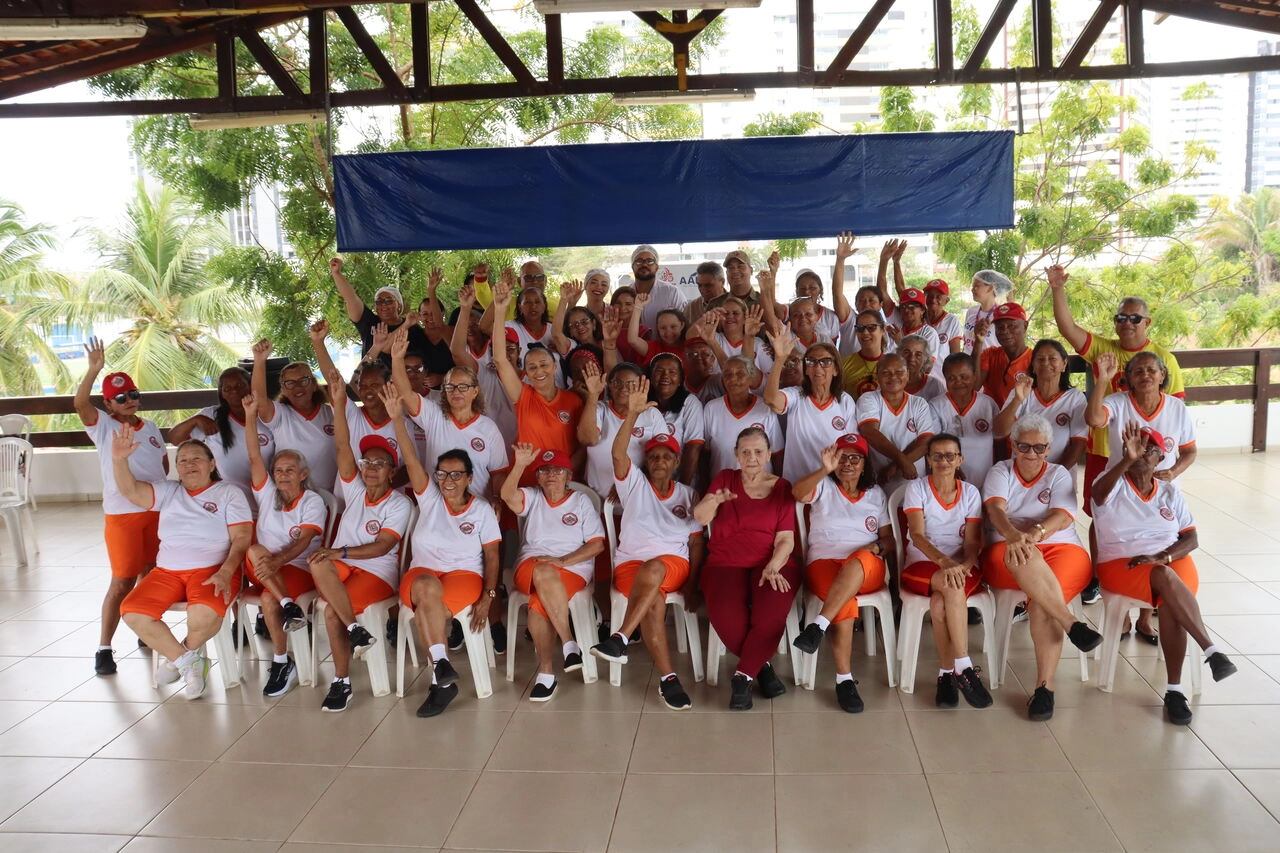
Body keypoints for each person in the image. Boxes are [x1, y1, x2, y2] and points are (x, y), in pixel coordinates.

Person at [1091, 422, 1237, 725]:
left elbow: (1192, 538)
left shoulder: (1169, 492)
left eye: (1151, 448)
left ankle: (1174, 689)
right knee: (1166, 579)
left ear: (1161, 458)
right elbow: (1097, 495)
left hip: (1169, 558)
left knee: (1169, 590)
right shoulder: (1113, 483)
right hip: (1122, 563)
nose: (1144, 452)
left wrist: (1163, 556)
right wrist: (1126, 460)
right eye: (1138, 446)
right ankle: (1210, 651)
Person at [383, 385, 501, 717]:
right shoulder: (429, 497)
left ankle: (441, 679)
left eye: (456, 474)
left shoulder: (481, 510)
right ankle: (441, 669)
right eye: (442, 474)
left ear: (468, 478)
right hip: (424, 574)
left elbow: (492, 556)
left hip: (465, 577)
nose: (448, 480)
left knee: (427, 601)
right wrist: (396, 420)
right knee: (426, 589)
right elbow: (409, 457)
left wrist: (489, 596)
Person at [980, 414, 1105, 721]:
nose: (1031, 453)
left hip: (1062, 548)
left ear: (1048, 448)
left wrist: (1035, 534)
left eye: (1039, 448)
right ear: (1013, 445)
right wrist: (1015, 536)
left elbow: (1063, 516)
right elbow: (995, 511)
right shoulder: (1000, 471)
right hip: (1005, 549)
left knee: (1040, 605)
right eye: (1024, 446)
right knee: (1027, 560)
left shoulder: (1059, 473)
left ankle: (1044, 688)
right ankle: (1072, 623)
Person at [590, 379, 704, 710]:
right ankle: (668, 680)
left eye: (666, 456)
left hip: (673, 567)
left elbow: (696, 546)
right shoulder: (633, 485)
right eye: (653, 456)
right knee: (653, 602)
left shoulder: (689, 495)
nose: (659, 461)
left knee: (654, 567)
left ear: (676, 462)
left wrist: (694, 585)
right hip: (628, 568)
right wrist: (632, 415)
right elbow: (616, 452)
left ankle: (620, 637)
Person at [114, 430, 251, 700]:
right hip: (167, 571)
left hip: (213, 569)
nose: (189, 464)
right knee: (132, 612)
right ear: (176, 468)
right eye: (183, 460)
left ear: (212, 464)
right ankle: (189, 662)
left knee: (201, 616)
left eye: (196, 459)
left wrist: (226, 572)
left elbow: (242, 538)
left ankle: (178, 659)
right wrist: (119, 459)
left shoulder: (228, 493)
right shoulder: (169, 491)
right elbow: (130, 491)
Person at [308, 369, 413, 713]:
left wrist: (340, 551)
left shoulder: (399, 502)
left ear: (392, 472)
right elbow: (342, 444)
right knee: (318, 562)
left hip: (377, 574)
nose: (370, 468)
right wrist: (339, 404)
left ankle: (342, 681)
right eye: (367, 461)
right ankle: (356, 630)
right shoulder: (354, 489)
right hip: (342, 568)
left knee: (332, 614)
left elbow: (383, 547)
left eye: (380, 464)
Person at [75, 338, 168, 676]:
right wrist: (93, 370)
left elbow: (162, 466)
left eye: (133, 394)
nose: (129, 401)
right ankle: (104, 646)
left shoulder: (153, 427)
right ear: (108, 403)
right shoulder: (104, 426)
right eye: (120, 398)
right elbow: (79, 404)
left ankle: (146, 629)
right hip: (123, 516)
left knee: (151, 573)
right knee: (121, 581)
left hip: (155, 512)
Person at [695, 427, 798, 710]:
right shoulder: (725, 479)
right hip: (724, 563)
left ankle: (742, 678)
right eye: (745, 452)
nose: (752, 458)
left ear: (768, 454)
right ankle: (760, 668)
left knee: (770, 616)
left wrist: (774, 566)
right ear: (736, 455)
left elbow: (786, 539)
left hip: (772, 564)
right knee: (726, 617)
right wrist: (713, 500)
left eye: (758, 452)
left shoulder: (782, 486)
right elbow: (700, 517)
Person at [790, 435, 893, 713]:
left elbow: (889, 539)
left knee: (860, 556)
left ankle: (817, 626)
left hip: (866, 567)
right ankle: (844, 680)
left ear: (864, 465)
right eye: (842, 457)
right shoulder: (823, 486)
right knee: (844, 600)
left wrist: (877, 547)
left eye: (854, 458)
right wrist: (824, 469)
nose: (848, 463)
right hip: (823, 564)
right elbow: (797, 493)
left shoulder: (876, 494)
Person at [501, 444, 606, 702]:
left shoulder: (581, 502)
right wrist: (520, 465)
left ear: (569, 475)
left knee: (538, 604)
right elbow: (506, 494)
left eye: (558, 470)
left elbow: (597, 544)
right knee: (543, 570)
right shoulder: (533, 496)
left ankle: (547, 674)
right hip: (531, 564)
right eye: (545, 470)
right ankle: (569, 641)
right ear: (537, 477)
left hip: (572, 568)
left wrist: (562, 560)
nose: (551, 475)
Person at [241, 393, 325, 697]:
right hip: (262, 567)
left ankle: (281, 661)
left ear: (303, 475)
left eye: (290, 470)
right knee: (254, 551)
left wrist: (279, 561)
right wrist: (250, 417)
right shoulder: (267, 494)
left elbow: (304, 541)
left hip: (297, 569)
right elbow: (253, 457)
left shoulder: (313, 501)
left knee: (267, 601)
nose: (283, 475)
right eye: (278, 470)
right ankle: (289, 605)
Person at [901, 433, 991, 709]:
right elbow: (917, 535)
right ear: (927, 460)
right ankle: (963, 666)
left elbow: (973, 541)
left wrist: (963, 565)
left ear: (959, 459)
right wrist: (945, 563)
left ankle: (945, 675)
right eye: (937, 455)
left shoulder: (971, 492)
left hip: (959, 567)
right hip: (922, 564)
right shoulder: (916, 489)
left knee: (940, 603)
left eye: (950, 455)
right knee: (950, 586)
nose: (943, 461)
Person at [390, 328, 509, 503]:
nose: (456, 392)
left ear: (475, 391)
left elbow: (498, 473)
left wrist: (497, 499)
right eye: (450, 387)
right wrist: (397, 359)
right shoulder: (434, 416)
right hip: (436, 508)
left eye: (463, 387)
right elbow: (406, 393)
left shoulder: (488, 428)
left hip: (476, 510)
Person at [491, 273, 584, 484]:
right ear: (526, 372)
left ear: (554, 367)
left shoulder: (573, 400)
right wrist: (499, 309)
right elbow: (500, 359)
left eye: (543, 365)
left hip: (564, 483)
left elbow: (583, 446)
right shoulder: (522, 395)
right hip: (528, 480)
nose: (538, 371)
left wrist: (565, 475)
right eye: (531, 367)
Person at [168, 366, 275, 508]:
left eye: (239, 385)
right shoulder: (212, 415)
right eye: (227, 388)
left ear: (250, 386)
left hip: (268, 497)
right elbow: (175, 439)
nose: (234, 391)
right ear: (221, 393)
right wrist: (196, 419)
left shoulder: (268, 415)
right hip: (227, 500)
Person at [763, 327, 857, 484]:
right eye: (811, 361)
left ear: (835, 369)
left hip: (832, 487)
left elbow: (850, 444)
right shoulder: (796, 395)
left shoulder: (845, 401)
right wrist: (780, 359)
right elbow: (771, 399)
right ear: (806, 370)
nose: (818, 367)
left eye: (825, 362)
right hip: (797, 485)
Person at [309, 320, 405, 470]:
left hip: (390, 493)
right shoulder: (352, 415)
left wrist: (379, 488)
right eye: (363, 386)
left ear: (388, 386)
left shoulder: (402, 422)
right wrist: (318, 342)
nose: (368, 390)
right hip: (351, 492)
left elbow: (408, 466)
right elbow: (333, 379)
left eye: (374, 385)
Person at [993, 339, 1087, 488]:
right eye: (1040, 359)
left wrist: (1051, 476)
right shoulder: (1021, 392)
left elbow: (1079, 444)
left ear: (1064, 364)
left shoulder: (1075, 398)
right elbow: (999, 430)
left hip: (1059, 479)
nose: (1046, 363)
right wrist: (1018, 399)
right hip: (1020, 477)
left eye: (1052, 358)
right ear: (1033, 366)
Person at [249, 338, 336, 493]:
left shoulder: (330, 413)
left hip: (332, 497)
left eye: (303, 380)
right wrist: (260, 360)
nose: (297, 387)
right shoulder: (281, 415)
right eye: (290, 383)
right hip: (293, 497)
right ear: (283, 389)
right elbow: (260, 400)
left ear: (314, 385)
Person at [579, 360, 667, 498]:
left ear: (641, 387)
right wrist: (593, 395)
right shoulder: (600, 408)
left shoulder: (651, 414)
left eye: (631, 384)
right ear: (609, 385)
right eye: (617, 383)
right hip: (596, 496)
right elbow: (587, 439)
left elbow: (662, 457)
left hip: (636, 493)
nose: (623, 388)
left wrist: (626, 481)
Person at [854, 353, 939, 489]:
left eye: (899, 372)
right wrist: (902, 460)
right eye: (886, 372)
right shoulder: (868, 399)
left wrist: (895, 466)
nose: (893, 377)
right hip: (879, 482)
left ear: (908, 375)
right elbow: (870, 432)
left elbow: (926, 441)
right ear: (877, 376)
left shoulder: (918, 403)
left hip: (913, 483)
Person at [450, 283, 519, 445]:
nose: (505, 353)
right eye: (499, 348)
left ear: (520, 350)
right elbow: (457, 352)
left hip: (521, 448)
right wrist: (465, 308)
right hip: (488, 444)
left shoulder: (531, 379)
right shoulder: (485, 372)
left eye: (510, 348)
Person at [329, 256, 429, 366]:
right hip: (369, 379)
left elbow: (424, 357)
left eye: (389, 301)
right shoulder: (369, 321)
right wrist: (336, 273)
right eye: (379, 301)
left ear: (399, 305)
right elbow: (350, 297)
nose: (384, 305)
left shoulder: (413, 328)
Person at [702, 356, 784, 478]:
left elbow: (777, 454)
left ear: (751, 378)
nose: (733, 378)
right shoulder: (711, 408)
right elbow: (705, 455)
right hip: (722, 489)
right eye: (727, 374)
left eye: (740, 373)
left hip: (760, 488)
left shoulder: (765, 408)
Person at [931, 352, 1000, 487]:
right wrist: (952, 467)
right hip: (948, 480)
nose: (958, 382)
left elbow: (1000, 443)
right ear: (945, 378)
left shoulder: (988, 404)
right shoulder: (936, 406)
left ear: (975, 376)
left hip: (984, 480)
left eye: (964, 377)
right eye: (952, 378)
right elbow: (933, 446)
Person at [648, 352, 705, 485]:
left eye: (672, 372)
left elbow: (693, 448)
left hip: (681, 480)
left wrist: (681, 489)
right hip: (647, 482)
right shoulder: (643, 402)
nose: (665, 376)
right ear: (651, 376)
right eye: (659, 371)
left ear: (680, 379)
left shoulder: (690, 403)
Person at [972, 301, 1032, 405]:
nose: (1005, 331)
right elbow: (974, 386)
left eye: (1011, 326)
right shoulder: (990, 354)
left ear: (1025, 326)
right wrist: (978, 342)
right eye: (1000, 327)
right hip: (992, 417)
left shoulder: (1036, 359)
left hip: (1024, 418)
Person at [630, 245, 687, 328]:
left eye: (650, 261)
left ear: (657, 267)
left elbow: (684, 323)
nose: (644, 265)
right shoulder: (626, 294)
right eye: (639, 261)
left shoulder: (672, 292)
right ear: (632, 267)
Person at [839, 309, 887, 398]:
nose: (865, 332)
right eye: (860, 328)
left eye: (871, 327)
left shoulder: (891, 364)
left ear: (883, 329)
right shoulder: (844, 364)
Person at [963, 269, 1013, 353]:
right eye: (972, 286)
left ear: (990, 288)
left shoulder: (1001, 316)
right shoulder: (971, 311)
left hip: (988, 365)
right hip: (968, 364)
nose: (972, 289)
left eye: (977, 285)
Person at [628, 296, 689, 365]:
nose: (668, 333)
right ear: (657, 328)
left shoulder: (690, 348)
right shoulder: (653, 348)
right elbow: (633, 340)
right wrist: (638, 307)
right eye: (663, 328)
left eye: (673, 327)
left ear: (682, 325)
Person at [550, 280, 603, 359]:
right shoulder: (573, 347)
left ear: (594, 324)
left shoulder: (607, 344)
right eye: (574, 325)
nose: (580, 327)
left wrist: (571, 304)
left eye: (584, 322)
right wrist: (564, 300)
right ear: (570, 332)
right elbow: (556, 334)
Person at [923, 279, 963, 354]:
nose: (933, 300)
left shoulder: (952, 321)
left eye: (938, 297)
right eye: (930, 296)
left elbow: (955, 355)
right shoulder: (919, 318)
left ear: (946, 301)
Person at [900, 333, 945, 401]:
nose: (911, 359)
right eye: (907, 352)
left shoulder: (935, 386)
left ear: (925, 358)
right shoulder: (891, 382)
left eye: (918, 354)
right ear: (899, 354)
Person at [685, 260, 727, 326]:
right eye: (699, 285)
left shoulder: (736, 304)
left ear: (722, 282)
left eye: (708, 285)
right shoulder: (691, 308)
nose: (703, 289)